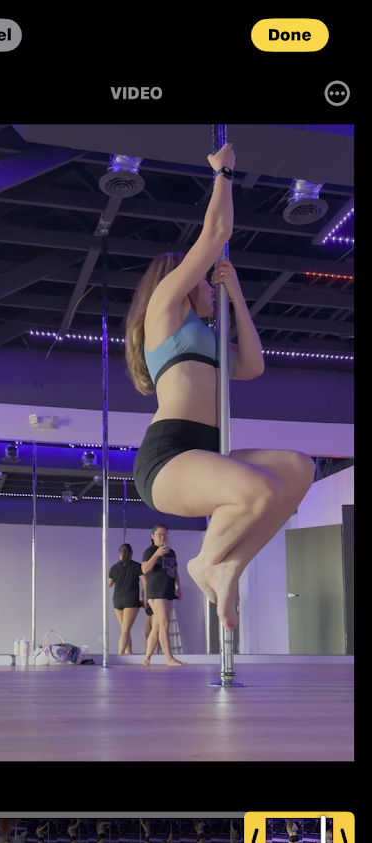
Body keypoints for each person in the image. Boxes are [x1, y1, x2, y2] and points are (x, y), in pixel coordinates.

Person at [127, 142, 316, 634]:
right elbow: (216, 232)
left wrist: (235, 294)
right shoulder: (164, 311)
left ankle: (228, 566)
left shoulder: (206, 338)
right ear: (182, 279)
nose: (208, 283)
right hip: (168, 456)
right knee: (260, 489)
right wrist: (224, 173)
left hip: (206, 450)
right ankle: (205, 561)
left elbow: (252, 365)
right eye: (205, 280)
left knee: (299, 469)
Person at [141, 525, 186, 667]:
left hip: (168, 591)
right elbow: (144, 569)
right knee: (165, 623)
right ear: (153, 536)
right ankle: (169, 658)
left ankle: (147, 658)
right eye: (159, 534)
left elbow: (175, 571)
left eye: (165, 534)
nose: (163, 537)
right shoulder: (149, 552)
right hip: (156, 591)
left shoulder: (171, 552)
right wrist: (156, 555)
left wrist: (178, 588)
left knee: (157, 626)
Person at [108, 543, 146, 654]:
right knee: (126, 630)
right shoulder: (137, 566)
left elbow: (109, 584)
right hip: (130, 600)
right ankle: (119, 655)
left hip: (117, 600)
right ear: (131, 554)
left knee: (124, 630)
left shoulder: (114, 568)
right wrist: (145, 598)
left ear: (119, 554)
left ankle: (129, 654)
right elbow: (145, 581)